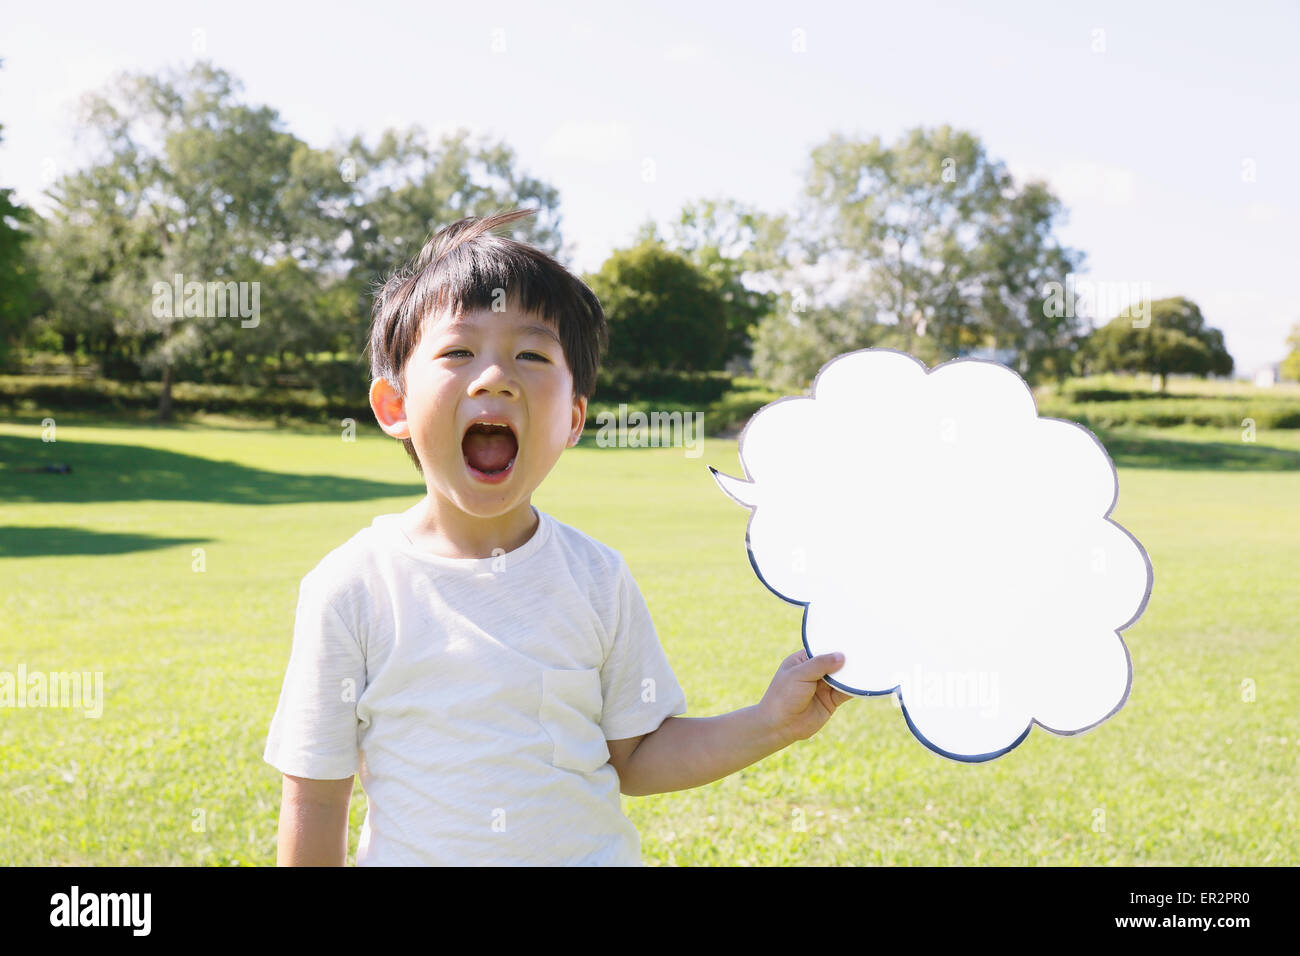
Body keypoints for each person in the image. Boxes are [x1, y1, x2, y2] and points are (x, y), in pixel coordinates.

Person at [262, 207, 853, 865]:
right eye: (458, 351)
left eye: (532, 354)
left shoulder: (597, 578)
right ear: (394, 406)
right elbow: (314, 797)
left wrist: (771, 722)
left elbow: (637, 753)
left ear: (573, 418)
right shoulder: (352, 589)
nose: (495, 377)